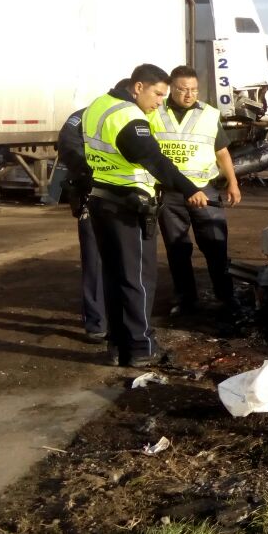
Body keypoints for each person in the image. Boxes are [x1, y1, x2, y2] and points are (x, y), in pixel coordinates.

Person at [83, 64, 205, 367]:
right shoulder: (128, 117)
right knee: (138, 278)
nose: (160, 102)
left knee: (113, 277)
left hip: (101, 200)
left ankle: (118, 346)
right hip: (128, 205)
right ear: (138, 87)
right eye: (157, 94)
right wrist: (190, 188)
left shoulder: (98, 106)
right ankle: (141, 347)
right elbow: (153, 159)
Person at [155, 65, 242, 319]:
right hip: (170, 194)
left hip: (206, 191)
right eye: (183, 90)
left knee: (216, 246)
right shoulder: (154, 113)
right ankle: (185, 299)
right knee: (177, 249)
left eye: (193, 89)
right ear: (171, 88)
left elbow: (222, 152)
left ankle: (226, 297)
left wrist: (233, 182)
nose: (189, 95)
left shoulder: (209, 114)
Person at [57, 86, 123, 344]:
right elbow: (69, 147)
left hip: (128, 200)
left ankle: (123, 318)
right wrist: (99, 175)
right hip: (93, 197)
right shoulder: (81, 118)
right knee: (95, 261)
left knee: (128, 261)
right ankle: (97, 322)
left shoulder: (136, 117)